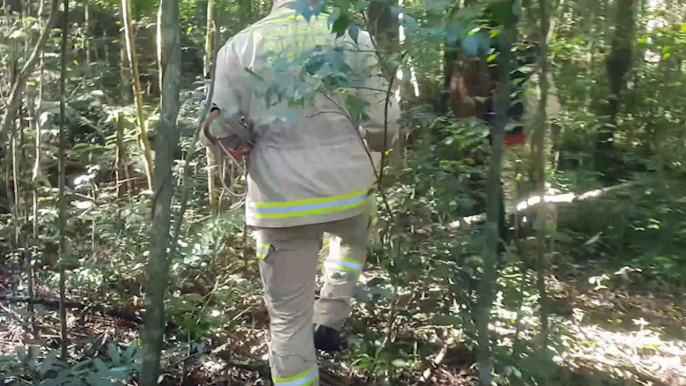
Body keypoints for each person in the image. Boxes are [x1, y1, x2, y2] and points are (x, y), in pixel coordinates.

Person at [200, 1, 401, 385]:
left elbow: (217, 124)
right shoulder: (354, 37)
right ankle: (331, 315)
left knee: (289, 320)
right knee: (353, 238)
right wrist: (370, 141)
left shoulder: (241, 45)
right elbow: (384, 125)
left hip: (281, 198)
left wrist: (232, 140)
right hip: (350, 190)